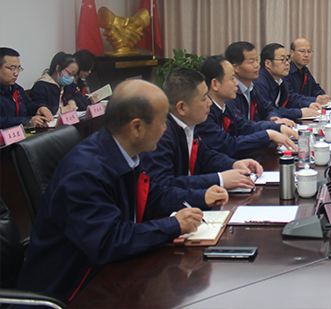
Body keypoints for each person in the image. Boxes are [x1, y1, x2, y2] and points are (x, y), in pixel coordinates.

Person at [16, 79, 228, 303]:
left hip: (109, 276)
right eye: (161, 122)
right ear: (136, 127)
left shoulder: (122, 152)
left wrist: (200, 197)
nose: (166, 128)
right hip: (71, 292)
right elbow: (109, 241)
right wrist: (173, 225)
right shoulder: (86, 174)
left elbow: (152, 196)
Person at [140, 68, 263, 193]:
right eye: (204, 99)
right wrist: (219, 180)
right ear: (182, 108)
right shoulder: (161, 135)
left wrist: (233, 164)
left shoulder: (189, 125)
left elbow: (205, 156)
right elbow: (164, 186)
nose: (210, 103)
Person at [196, 55, 297, 158]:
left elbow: (246, 127)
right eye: (232, 79)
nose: (236, 83)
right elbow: (228, 145)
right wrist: (268, 135)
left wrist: (277, 127)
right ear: (215, 84)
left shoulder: (225, 106)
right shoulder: (203, 114)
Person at [224, 41, 296, 132]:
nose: (257, 65)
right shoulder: (230, 93)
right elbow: (242, 126)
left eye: (257, 60)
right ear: (235, 68)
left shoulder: (252, 88)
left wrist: (274, 118)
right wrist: (272, 126)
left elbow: (268, 108)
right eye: (251, 62)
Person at [254, 43, 321, 121]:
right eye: (282, 60)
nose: (287, 63)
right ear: (268, 63)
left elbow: (290, 100)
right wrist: (299, 112)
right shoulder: (259, 83)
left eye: (287, 59)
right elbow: (269, 110)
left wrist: (309, 104)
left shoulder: (280, 81)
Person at [0, 47, 51, 129]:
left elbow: (28, 104)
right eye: (12, 69)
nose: (16, 73)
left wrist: (40, 108)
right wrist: (26, 121)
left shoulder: (16, 89)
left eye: (18, 68)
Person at [29, 51, 80, 116]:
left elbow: (81, 99)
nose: (71, 78)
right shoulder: (41, 86)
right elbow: (38, 108)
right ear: (58, 68)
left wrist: (73, 101)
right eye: (69, 73)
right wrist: (61, 110)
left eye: (74, 75)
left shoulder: (67, 85)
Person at [286, 38, 330, 105]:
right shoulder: (285, 71)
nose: (306, 55)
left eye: (309, 51)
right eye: (302, 51)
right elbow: (290, 97)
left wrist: (323, 96)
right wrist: (315, 100)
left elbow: (314, 88)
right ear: (292, 53)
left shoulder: (305, 70)